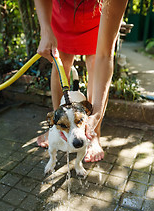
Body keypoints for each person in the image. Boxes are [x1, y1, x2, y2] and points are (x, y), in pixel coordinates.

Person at [34, 0, 128, 162]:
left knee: (94, 61)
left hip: (99, 14)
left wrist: (96, 114)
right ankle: (57, 128)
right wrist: (45, 28)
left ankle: (94, 133)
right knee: (60, 61)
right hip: (62, 13)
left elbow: (104, 56)